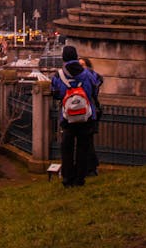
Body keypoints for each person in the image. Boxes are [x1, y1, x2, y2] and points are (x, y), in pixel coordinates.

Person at [51, 44, 98, 187]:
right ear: (76, 57)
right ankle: (80, 178)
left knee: (67, 148)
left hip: (68, 117)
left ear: (63, 58)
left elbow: (56, 93)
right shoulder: (88, 74)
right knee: (83, 148)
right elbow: (94, 91)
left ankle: (67, 178)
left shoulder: (59, 75)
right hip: (86, 117)